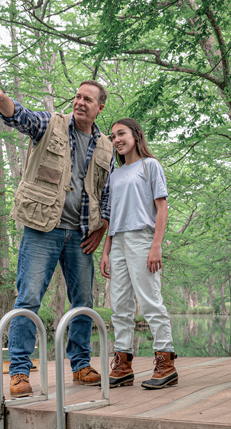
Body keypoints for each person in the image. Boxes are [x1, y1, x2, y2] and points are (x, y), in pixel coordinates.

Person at [0, 78, 113, 398]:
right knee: (28, 299)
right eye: (77, 97)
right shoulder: (50, 125)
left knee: (83, 303)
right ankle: (20, 371)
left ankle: (81, 365)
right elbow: (20, 116)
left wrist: (101, 227)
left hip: (81, 237)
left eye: (87, 99)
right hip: (42, 229)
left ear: (100, 108)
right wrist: (1, 100)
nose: (80, 102)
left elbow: (107, 192)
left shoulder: (106, 146)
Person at [99, 118, 177, 389]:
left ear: (136, 135)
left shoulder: (150, 165)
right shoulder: (115, 174)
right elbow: (111, 217)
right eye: (113, 136)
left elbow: (162, 207)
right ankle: (122, 365)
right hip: (118, 240)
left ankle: (166, 362)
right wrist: (106, 251)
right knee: (119, 306)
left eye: (121, 133)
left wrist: (156, 246)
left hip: (143, 238)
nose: (117, 139)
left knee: (150, 301)